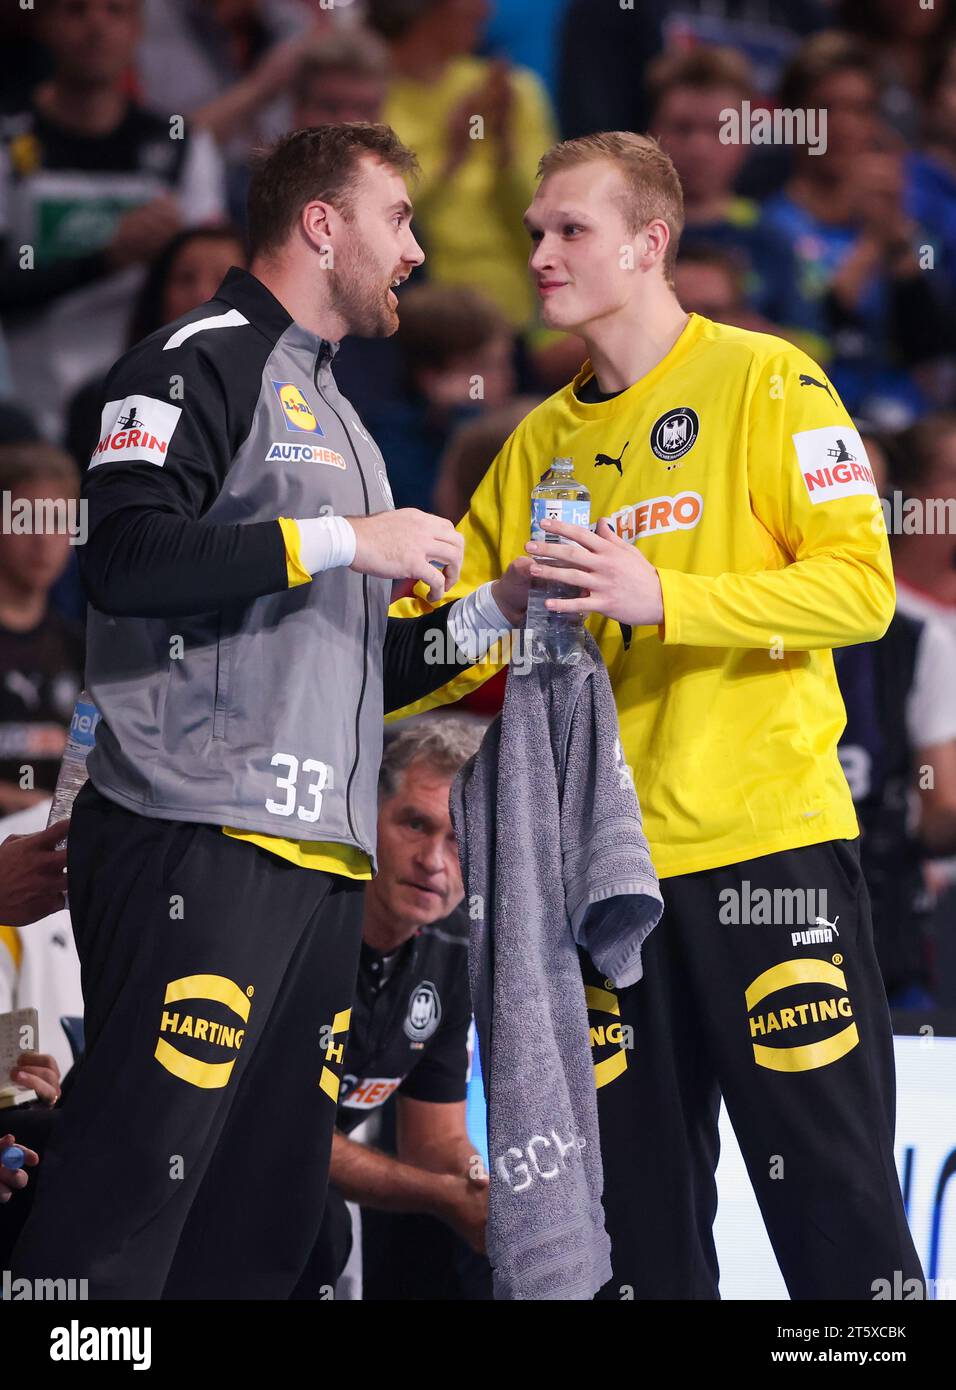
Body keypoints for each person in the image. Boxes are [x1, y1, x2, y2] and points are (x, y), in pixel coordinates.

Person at [391, 128, 924, 1299]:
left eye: (567, 230)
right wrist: (485, 599)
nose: (537, 254)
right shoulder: (531, 444)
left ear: (649, 243)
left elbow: (860, 589)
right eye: (533, 231)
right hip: (594, 884)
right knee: (636, 1230)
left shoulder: (768, 379)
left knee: (833, 1209)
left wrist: (662, 595)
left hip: (761, 852)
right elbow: (427, 667)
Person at [11, 121, 532, 1301]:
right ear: (321, 222)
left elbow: (364, 669)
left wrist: (504, 603)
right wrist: (350, 540)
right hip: (197, 833)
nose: (414, 248)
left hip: (318, 862)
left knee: (267, 1216)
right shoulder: (192, 358)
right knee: (130, 1183)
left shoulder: (343, 414)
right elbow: (128, 561)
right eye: (396, 217)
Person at [298, 716, 489, 1298]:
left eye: (461, 841)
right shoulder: (300, 925)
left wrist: (481, 1186)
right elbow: (283, 1135)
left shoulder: (454, 952)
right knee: (319, 1225)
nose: (434, 860)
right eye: (415, 824)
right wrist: (443, 1195)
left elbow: (434, 1144)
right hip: (207, 1174)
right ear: (366, 819)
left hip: (302, 1187)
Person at [0, 0, 226, 438]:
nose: (96, 26)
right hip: (21, 411)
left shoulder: (182, 147)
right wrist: (107, 257)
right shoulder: (9, 141)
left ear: (138, 27)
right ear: (44, 24)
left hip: (150, 408)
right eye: (75, 10)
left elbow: (212, 293)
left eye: (114, 10)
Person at [0, 443, 84, 815]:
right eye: (25, 518)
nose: (43, 540)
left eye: (57, 521)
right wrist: (35, 808)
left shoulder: (83, 649)